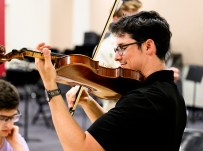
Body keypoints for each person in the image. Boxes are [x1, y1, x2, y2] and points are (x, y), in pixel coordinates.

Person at [35, 10, 187, 151]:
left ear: (148, 46)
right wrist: (88, 102)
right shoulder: (171, 92)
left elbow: (81, 148)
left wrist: (50, 86)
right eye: (116, 49)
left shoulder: (144, 99)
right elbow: (118, 133)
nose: (116, 57)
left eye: (122, 47)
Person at [94, 0, 143, 111]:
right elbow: (99, 83)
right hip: (116, 106)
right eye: (128, 19)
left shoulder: (142, 42)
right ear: (115, 18)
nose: (135, 24)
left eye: (136, 18)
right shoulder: (104, 47)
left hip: (142, 102)